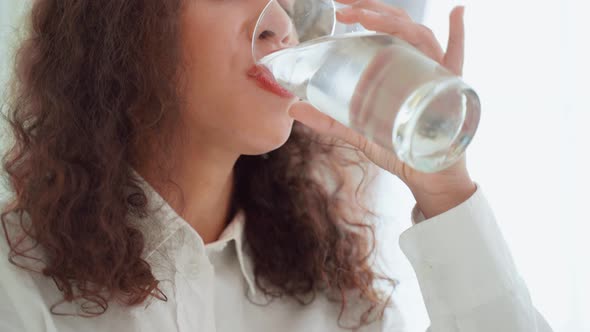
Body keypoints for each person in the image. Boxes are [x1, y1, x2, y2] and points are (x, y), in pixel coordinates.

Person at [0, 0, 552, 331]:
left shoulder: (333, 301)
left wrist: (445, 190)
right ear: (122, 24)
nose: (279, 27)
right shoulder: (19, 284)